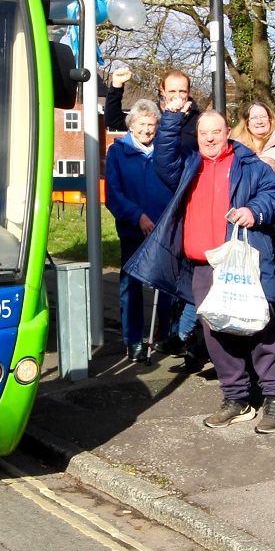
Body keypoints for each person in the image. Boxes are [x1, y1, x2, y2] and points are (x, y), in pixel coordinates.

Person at [128, 107, 275, 434]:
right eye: (203, 133)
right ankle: (237, 399)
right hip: (204, 265)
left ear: (228, 131)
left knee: (258, 327)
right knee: (216, 332)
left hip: (243, 262)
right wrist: (172, 118)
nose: (209, 138)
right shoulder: (189, 165)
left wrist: (254, 211)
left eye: (216, 132)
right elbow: (163, 158)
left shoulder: (249, 164)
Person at [104, 99, 175, 362]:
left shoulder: (165, 151)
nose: (147, 129)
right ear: (131, 126)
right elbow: (114, 194)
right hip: (134, 230)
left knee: (166, 286)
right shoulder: (118, 152)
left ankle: (163, 334)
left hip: (163, 229)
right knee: (131, 287)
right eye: (142, 124)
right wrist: (138, 217)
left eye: (152, 124)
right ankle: (133, 340)